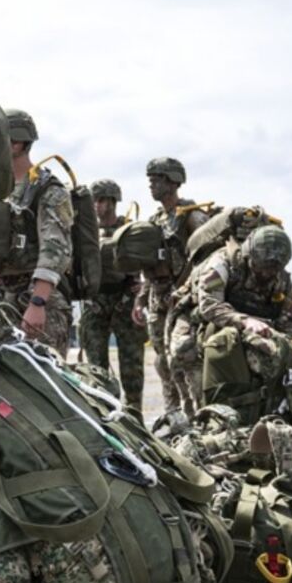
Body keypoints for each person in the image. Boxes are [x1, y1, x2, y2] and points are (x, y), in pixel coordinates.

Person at [0, 110, 74, 356]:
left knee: (43, 385)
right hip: (0, 304)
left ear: (17, 143)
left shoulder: (48, 190)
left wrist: (38, 303)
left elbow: (56, 249)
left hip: (38, 303)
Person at [131, 157, 210, 421]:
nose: (151, 185)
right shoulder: (155, 220)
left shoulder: (192, 216)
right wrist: (141, 299)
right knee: (163, 362)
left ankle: (200, 416)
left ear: (174, 181)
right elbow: (149, 264)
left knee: (185, 357)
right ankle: (174, 416)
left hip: (185, 300)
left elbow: (205, 259)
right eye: (150, 179)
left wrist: (186, 292)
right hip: (158, 298)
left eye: (158, 179)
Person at [195, 225, 292, 413]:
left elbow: (290, 324)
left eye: (273, 269)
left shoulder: (283, 282)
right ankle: (197, 410)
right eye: (261, 268)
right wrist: (244, 321)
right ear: (248, 256)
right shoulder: (222, 264)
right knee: (183, 350)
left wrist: (284, 348)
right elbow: (209, 305)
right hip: (209, 322)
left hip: (259, 331)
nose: (267, 274)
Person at [78, 179, 145, 412]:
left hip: (123, 299)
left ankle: (134, 413)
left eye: (101, 201)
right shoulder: (85, 229)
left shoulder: (128, 229)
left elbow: (143, 264)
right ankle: (104, 412)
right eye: (95, 201)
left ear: (111, 201)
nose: (97, 206)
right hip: (94, 301)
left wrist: (140, 292)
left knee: (131, 364)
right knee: (96, 366)